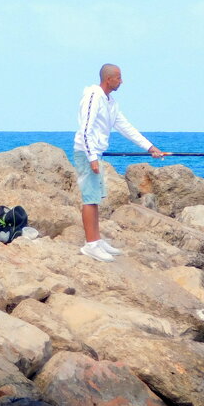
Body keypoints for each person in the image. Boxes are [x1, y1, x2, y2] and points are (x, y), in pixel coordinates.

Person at [73, 64, 165, 262]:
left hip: (96, 153)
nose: (121, 81)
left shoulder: (110, 102)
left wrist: (150, 147)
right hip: (87, 153)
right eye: (118, 78)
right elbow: (85, 129)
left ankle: (96, 240)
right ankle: (90, 245)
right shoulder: (93, 96)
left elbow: (125, 127)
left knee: (95, 197)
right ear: (109, 79)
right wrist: (92, 157)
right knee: (89, 198)